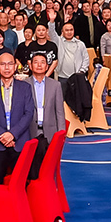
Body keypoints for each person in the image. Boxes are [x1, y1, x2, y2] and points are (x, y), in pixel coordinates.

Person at [0, 55, 34, 184]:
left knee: (21, 184)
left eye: (10, 64)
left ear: (15, 66)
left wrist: (12, 134)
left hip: (20, 143)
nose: (7, 67)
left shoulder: (25, 87)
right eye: (3, 64)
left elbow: (28, 113)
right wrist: (2, 135)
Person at [24, 51, 66, 182]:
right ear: (30, 65)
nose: (39, 65)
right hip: (30, 131)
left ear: (47, 66)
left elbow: (60, 111)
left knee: (49, 167)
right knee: (31, 167)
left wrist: (61, 134)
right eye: (36, 62)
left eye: (42, 62)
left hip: (50, 131)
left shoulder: (55, 85)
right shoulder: (24, 84)